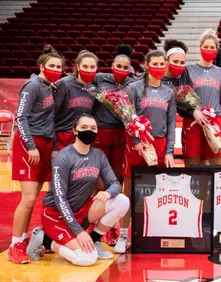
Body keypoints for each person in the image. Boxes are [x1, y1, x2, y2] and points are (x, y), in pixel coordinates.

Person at [25, 114, 130, 266]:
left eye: (93, 128)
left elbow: (115, 183)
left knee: (122, 201)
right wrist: (79, 232)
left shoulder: (98, 155)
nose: (89, 131)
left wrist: (108, 192)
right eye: (84, 127)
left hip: (81, 210)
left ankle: (93, 240)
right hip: (57, 214)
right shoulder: (63, 157)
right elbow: (60, 199)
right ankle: (44, 239)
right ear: (74, 130)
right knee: (87, 259)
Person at [8, 45, 64, 264]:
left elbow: (50, 119)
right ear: (42, 66)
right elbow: (20, 117)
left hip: (45, 144)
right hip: (29, 144)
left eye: (59, 67)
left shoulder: (51, 87)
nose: (56, 69)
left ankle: (23, 241)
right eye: (52, 66)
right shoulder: (32, 85)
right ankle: (15, 245)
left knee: (36, 199)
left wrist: (53, 146)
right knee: (29, 198)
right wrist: (30, 145)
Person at [119, 50, 177, 253]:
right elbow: (128, 118)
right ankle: (123, 235)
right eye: (156, 64)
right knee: (128, 192)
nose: (160, 67)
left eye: (163, 64)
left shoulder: (169, 92)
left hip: (159, 145)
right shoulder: (133, 88)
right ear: (147, 64)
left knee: (157, 192)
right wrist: (136, 141)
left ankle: (154, 231)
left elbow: (171, 124)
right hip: (137, 145)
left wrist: (169, 151)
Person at [91, 44, 134, 250]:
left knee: (114, 180)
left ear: (130, 69)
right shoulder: (100, 79)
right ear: (112, 65)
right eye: (119, 66)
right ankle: (96, 224)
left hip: (120, 133)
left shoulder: (133, 84)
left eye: (126, 67)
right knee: (99, 182)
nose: (122, 70)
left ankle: (111, 225)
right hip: (100, 132)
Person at [183, 29, 221, 167]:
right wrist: (193, 112)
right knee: (193, 169)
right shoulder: (188, 70)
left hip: (215, 122)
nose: (208, 50)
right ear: (200, 48)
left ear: (216, 50)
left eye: (212, 47)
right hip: (194, 122)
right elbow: (182, 98)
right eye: (206, 47)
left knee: (218, 170)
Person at [54, 50, 99, 150]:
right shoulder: (64, 83)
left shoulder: (94, 89)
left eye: (92, 67)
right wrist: (53, 145)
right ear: (78, 67)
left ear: (96, 68)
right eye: (85, 66)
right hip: (62, 135)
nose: (88, 70)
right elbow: (52, 114)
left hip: (82, 136)